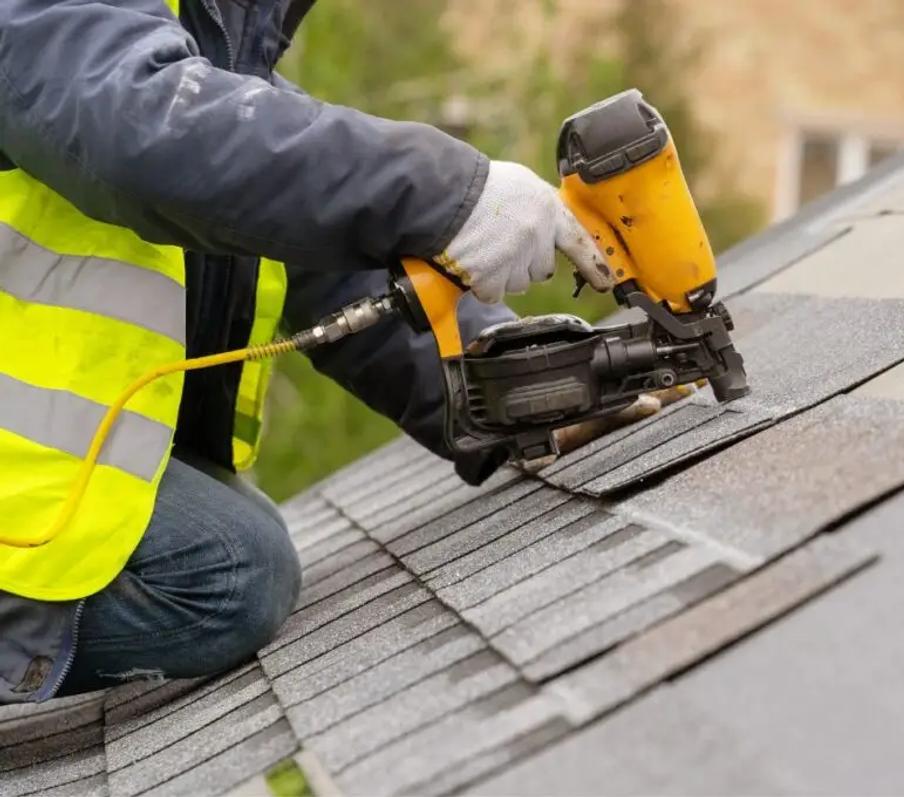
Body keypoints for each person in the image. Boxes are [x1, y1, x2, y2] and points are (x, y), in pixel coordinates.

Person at [0, 0, 618, 702]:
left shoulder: (205, 60)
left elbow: (333, 262)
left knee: (239, 546)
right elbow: (145, 131)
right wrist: (449, 192)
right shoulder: (91, 42)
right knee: (229, 569)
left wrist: (521, 384)